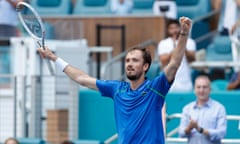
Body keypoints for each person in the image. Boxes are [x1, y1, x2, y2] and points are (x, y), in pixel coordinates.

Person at [38, 16, 192, 144]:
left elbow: (174, 64)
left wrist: (183, 34)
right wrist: (54, 58)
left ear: (145, 66)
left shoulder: (155, 88)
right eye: (127, 60)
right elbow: (82, 79)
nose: (130, 64)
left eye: (135, 60)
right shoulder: (117, 89)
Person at [179, 75, 227, 144]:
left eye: (204, 87)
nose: (201, 90)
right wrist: (189, 127)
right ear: (194, 89)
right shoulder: (187, 109)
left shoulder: (219, 108)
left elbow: (221, 133)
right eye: (198, 87)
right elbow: (181, 133)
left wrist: (200, 130)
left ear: (210, 89)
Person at [158, 18, 196, 92]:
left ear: (180, 28)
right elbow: (163, 62)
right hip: (168, 80)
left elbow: (192, 59)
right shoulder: (163, 43)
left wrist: (182, 45)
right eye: (171, 28)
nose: (174, 30)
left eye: (176, 27)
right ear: (168, 30)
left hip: (185, 81)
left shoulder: (190, 42)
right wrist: (175, 49)